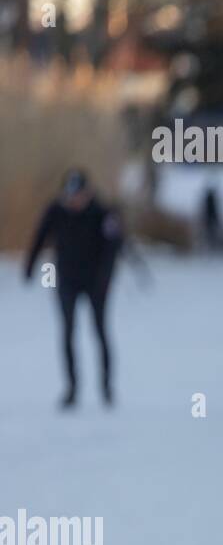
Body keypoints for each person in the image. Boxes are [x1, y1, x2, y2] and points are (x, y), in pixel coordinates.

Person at [23, 170, 123, 408]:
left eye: (78, 195)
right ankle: (71, 388)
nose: (74, 200)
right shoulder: (56, 211)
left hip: (95, 282)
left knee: (100, 331)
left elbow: (113, 249)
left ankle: (106, 387)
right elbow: (40, 236)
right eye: (70, 195)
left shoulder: (103, 213)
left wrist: (105, 280)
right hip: (66, 280)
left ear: (88, 193)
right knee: (67, 331)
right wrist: (29, 266)